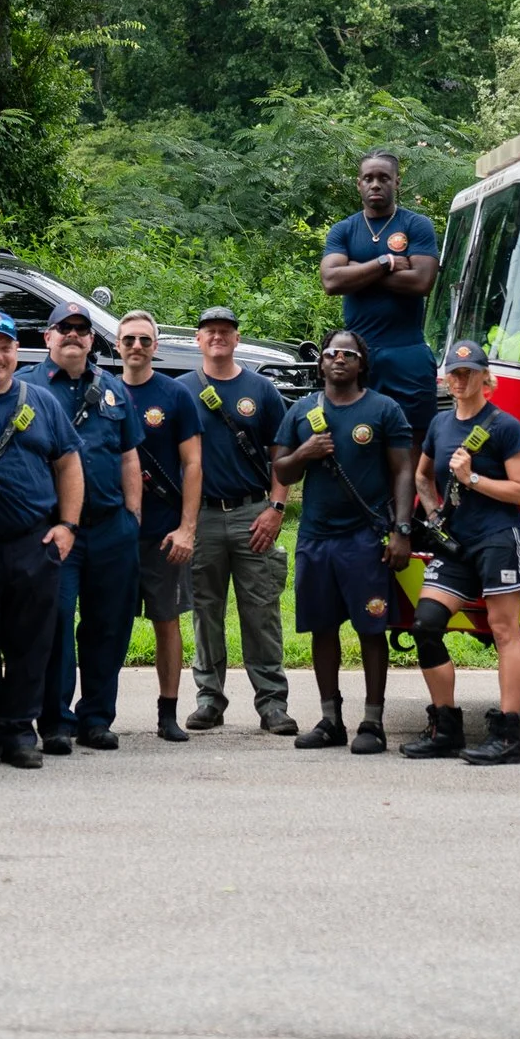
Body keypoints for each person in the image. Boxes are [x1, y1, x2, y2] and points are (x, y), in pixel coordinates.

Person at [271, 328, 415, 754]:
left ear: (361, 364)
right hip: (316, 538)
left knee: (371, 628)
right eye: (332, 353)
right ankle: (330, 720)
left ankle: (373, 722)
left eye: (348, 354)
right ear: (321, 363)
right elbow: (281, 470)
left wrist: (401, 530)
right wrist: (305, 452)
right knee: (322, 628)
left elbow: (403, 471)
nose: (339, 359)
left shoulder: (384, 409)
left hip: (365, 539)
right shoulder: (301, 411)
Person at [0, 311, 83, 768]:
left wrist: (67, 526)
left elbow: (68, 463)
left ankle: (19, 732)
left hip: (34, 541)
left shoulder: (41, 401)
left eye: (4, 347)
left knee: (32, 644)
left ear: (16, 352)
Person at [403, 340, 520, 766]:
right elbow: (422, 476)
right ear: (445, 378)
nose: (460, 380)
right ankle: (446, 728)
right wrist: (434, 516)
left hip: (498, 538)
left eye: (468, 373)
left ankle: (507, 736)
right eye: (454, 373)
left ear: (484, 377)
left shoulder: (506, 426)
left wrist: (472, 478)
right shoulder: (440, 425)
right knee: (426, 625)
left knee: (504, 630)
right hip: (457, 543)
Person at [176, 307, 295, 736]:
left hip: (252, 514)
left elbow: (282, 456)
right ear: (198, 339)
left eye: (225, 331)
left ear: (237, 338)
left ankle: (273, 703)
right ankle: (209, 699)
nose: (217, 337)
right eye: (210, 331)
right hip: (202, 516)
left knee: (262, 612)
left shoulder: (261, 390)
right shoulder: (181, 390)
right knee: (205, 612)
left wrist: (276, 508)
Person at [34, 300, 145, 755]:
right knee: (56, 623)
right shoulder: (28, 387)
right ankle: (55, 721)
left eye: (81, 329)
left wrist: (133, 517)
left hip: (111, 529)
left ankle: (96, 718)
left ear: (91, 339)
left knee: (108, 625)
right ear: (48, 336)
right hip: (57, 531)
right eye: (64, 328)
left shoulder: (113, 389)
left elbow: (129, 455)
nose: (73, 335)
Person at [116, 310, 201, 743]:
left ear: (156, 346)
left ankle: (168, 713)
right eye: (129, 339)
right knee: (107, 624)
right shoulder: (103, 392)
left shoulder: (176, 395)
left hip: (164, 532)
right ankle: (97, 712)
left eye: (145, 340)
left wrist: (187, 529)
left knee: (166, 621)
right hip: (114, 533)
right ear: (117, 345)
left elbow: (193, 464)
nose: (137, 346)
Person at [320, 152, 441, 446]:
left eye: (383, 178)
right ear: (358, 184)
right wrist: (385, 263)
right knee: (356, 439)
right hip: (358, 356)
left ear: (397, 182)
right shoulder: (344, 230)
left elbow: (422, 282)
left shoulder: (416, 225)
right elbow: (331, 281)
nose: (375, 184)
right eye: (368, 178)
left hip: (408, 353)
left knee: (412, 441)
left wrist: (356, 270)